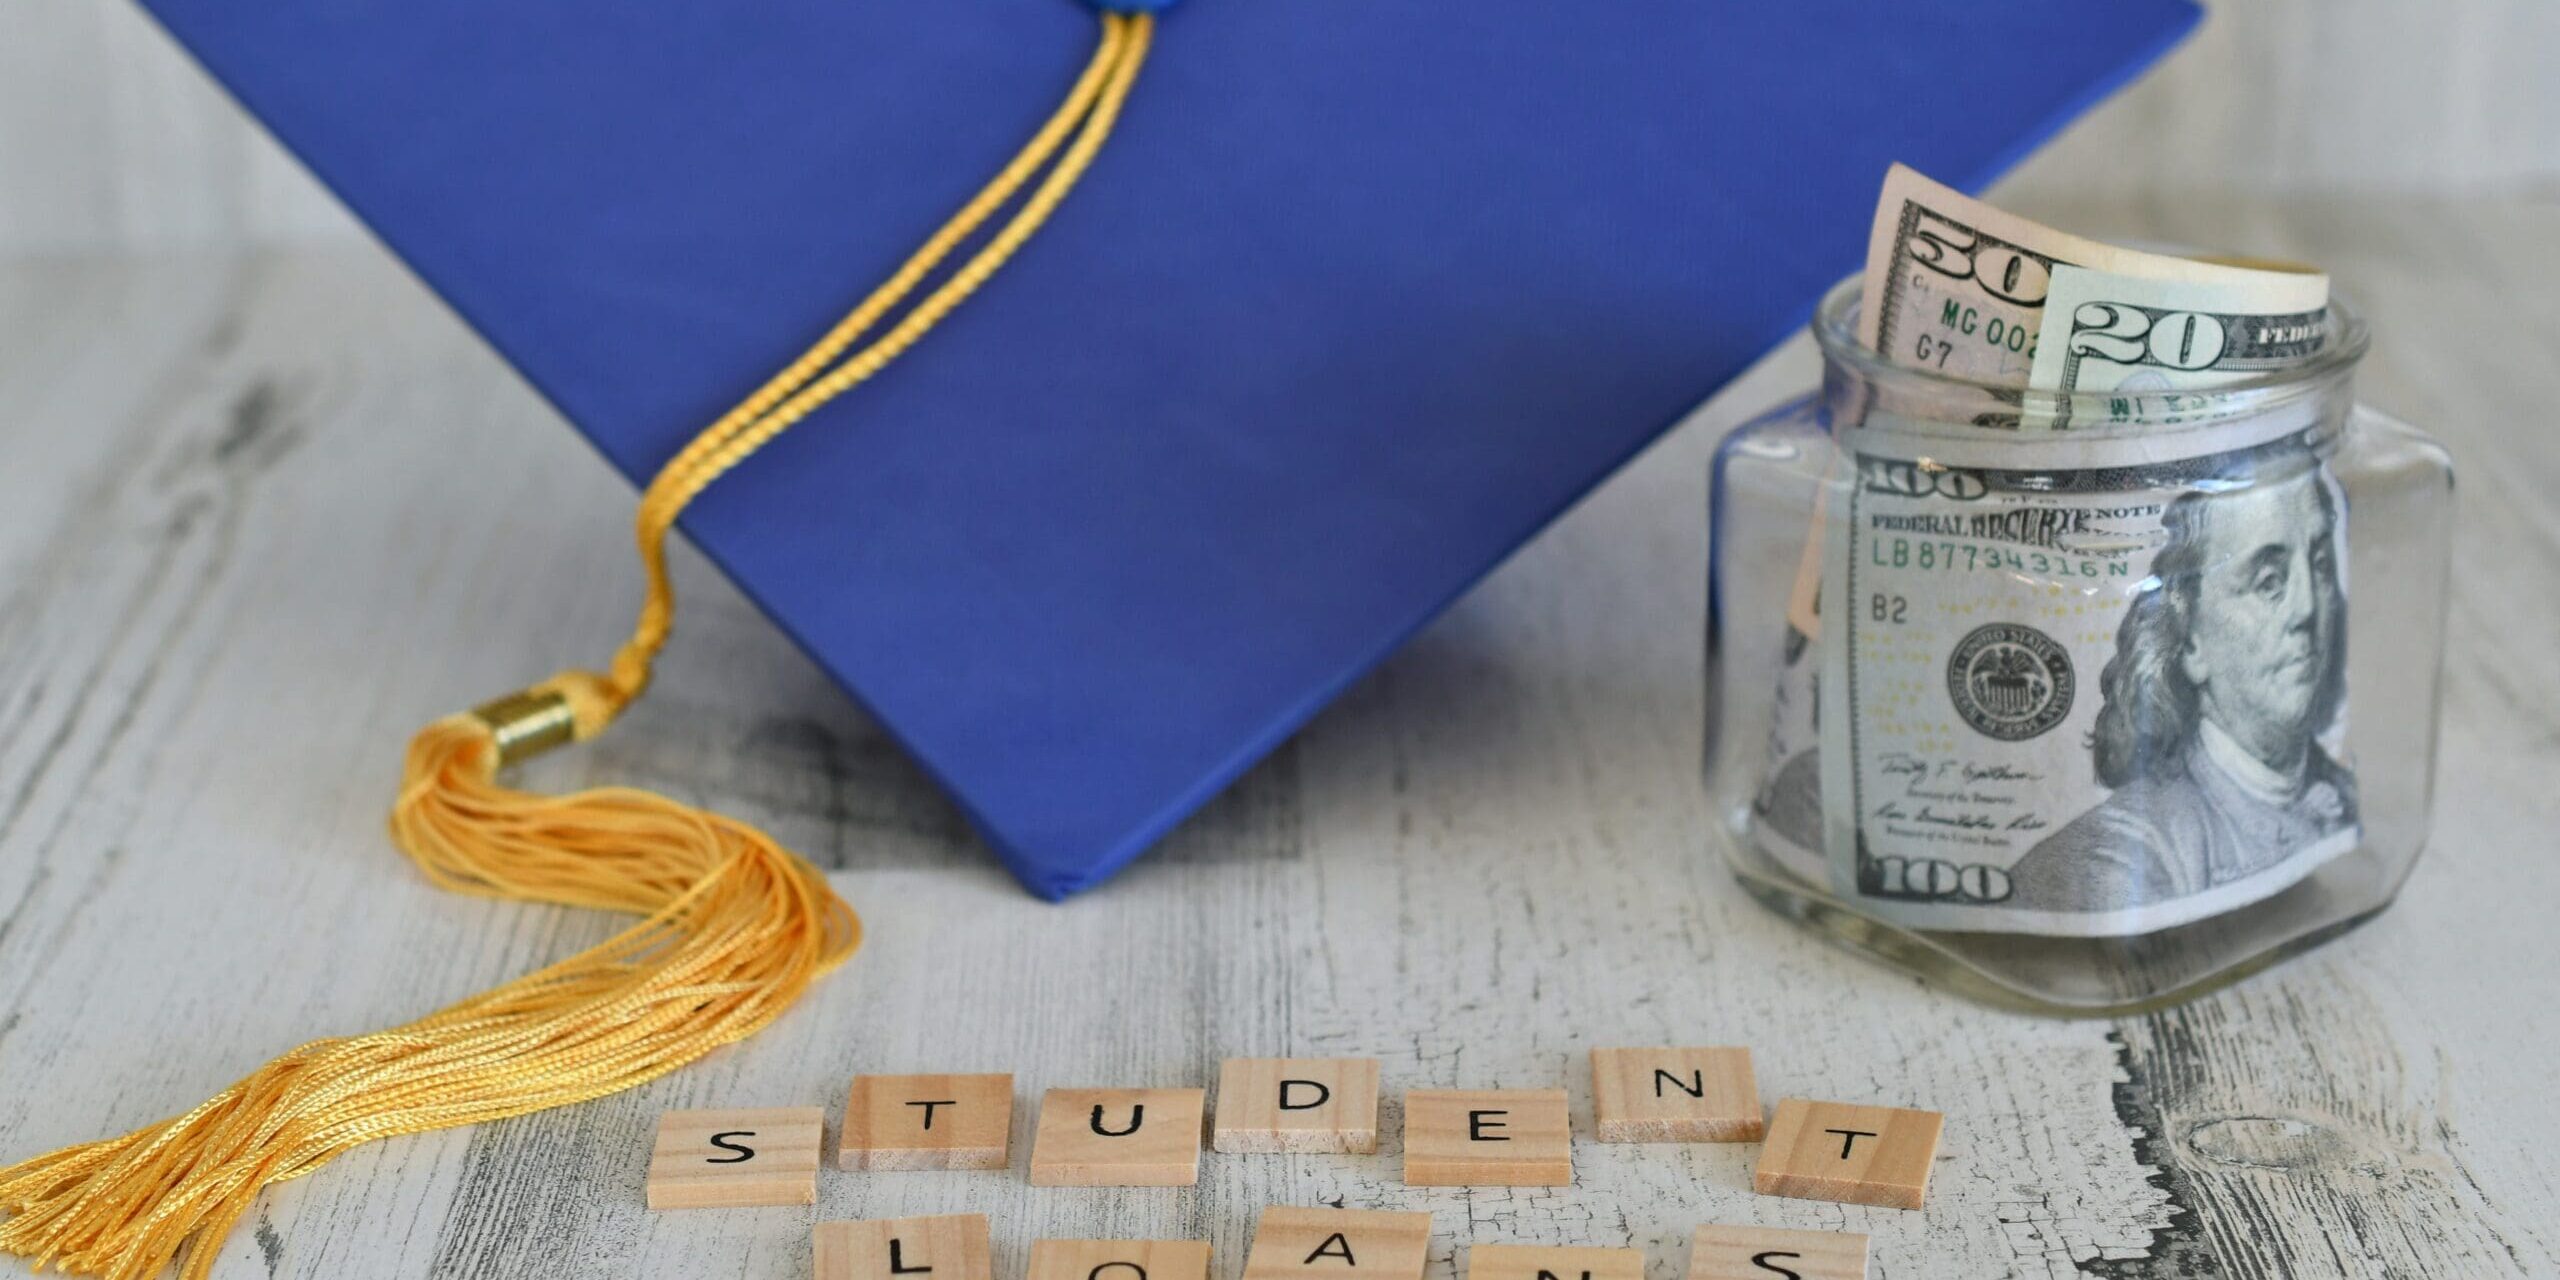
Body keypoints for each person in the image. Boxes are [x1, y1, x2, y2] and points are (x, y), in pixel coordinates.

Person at [2008, 456, 2355, 912]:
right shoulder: (2113, 856)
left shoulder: (2346, 797)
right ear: (2190, 640)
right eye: (2269, 581)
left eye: (2322, 566)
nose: (2308, 608)